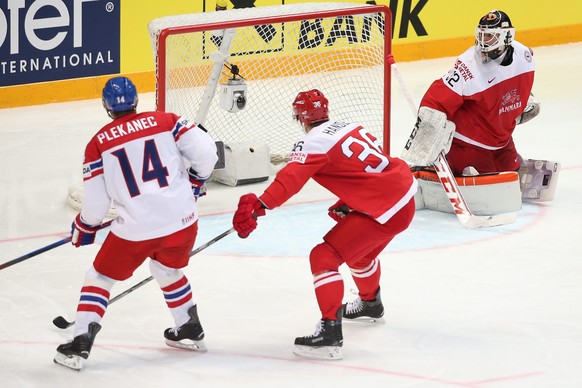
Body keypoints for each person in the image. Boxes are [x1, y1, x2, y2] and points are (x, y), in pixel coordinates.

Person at [231, 89, 417, 360]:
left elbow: (290, 180)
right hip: (403, 198)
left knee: (324, 257)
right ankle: (370, 304)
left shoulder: (313, 142)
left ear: (300, 119)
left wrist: (261, 205)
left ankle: (330, 332)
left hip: (384, 208)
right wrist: (349, 200)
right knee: (359, 254)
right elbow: (366, 169)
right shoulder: (351, 127)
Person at [54, 76, 218, 370]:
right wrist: (195, 180)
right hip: (183, 221)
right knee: (167, 268)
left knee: (100, 277)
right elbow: (207, 154)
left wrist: (84, 227)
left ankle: (79, 343)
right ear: (135, 102)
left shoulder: (98, 144)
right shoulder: (167, 120)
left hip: (137, 229)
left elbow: (95, 206)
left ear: (106, 105)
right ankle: (190, 327)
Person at [404, 10, 540, 176]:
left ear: (507, 36)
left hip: (501, 141)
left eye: (490, 36)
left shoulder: (525, 56)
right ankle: (438, 166)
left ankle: (510, 163)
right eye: (481, 35)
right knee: (493, 184)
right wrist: (427, 137)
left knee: (513, 174)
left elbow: (511, 89)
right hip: (467, 143)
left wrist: (516, 109)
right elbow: (435, 101)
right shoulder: (468, 65)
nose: (483, 42)